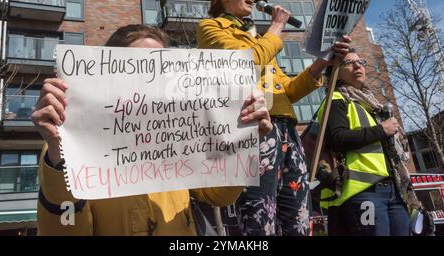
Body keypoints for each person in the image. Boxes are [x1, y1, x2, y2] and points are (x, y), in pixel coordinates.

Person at [32, 24, 273, 236]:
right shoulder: (65, 144)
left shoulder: (179, 130)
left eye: (160, 67)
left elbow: (219, 196)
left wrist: (242, 140)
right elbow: (64, 230)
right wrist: (58, 157)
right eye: (137, 66)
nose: (149, 77)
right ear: (107, 75)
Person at [196, 0, 350, 236]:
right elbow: (246, 63)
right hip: (255, 129)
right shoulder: (211, 28)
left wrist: (323, 60)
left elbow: (286, 91)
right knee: (259, 215)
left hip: (287, 130)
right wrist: (277, 26)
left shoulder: (259, 38)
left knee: (298, 215)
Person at [318, 49, 423, 236]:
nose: (358, 66)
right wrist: (382, 130)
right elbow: (338, 139)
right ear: (336, 71)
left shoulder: (373, 106)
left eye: (361, 62)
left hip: (395, 191)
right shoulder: (335, 100)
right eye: (349, 63)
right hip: (363, 192)